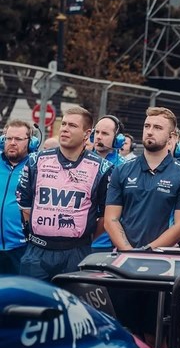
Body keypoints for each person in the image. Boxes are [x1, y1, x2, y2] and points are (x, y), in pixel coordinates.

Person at [104, 107, 180, 344]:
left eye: (157, 127)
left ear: (171, 136)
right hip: (123, 266)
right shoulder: (122, 170)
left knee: (155, 336)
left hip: (160, 268)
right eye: (147, 126)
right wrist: (128, 252)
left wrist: (147, 252)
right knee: (123, 334)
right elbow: (110, 218)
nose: (150, 131)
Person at [17, 106, 111, 280]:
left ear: (86, 133)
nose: (65, 128)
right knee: (29, 306)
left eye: (73, 125)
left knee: (72, 306)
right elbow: (25, 205)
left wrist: (82, 237)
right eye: (64, 124)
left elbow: (105, 215)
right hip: (37, 252)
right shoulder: (36, 160)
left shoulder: (102, 168)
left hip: (76, 253)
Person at [0, 120, 35, 274]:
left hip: (21, 248)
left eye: (18, 139)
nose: (12, 143)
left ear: (31, 142)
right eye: (8, 138)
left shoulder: (37, 167)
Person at [91, 115, 125, 251]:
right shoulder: (80, 161)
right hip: (77, 242)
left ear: (118, 140)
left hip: (107, 243)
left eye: (104, 133)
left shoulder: (125, 168)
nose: (99, 137)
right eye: (97, 132)